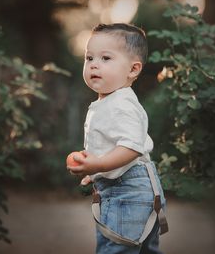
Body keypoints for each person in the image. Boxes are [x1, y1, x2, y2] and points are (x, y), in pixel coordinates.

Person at [69, 23, 167, 254]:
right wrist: (94, 172)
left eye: (105, 58)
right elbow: (112, 148)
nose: (94, 64)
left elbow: (131, 148)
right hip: (129, 191)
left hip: (129, 193)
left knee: (116, 249)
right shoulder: (111, 102)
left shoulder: (122, 104)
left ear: (133, 69)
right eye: (89, 57)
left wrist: (97, 165)